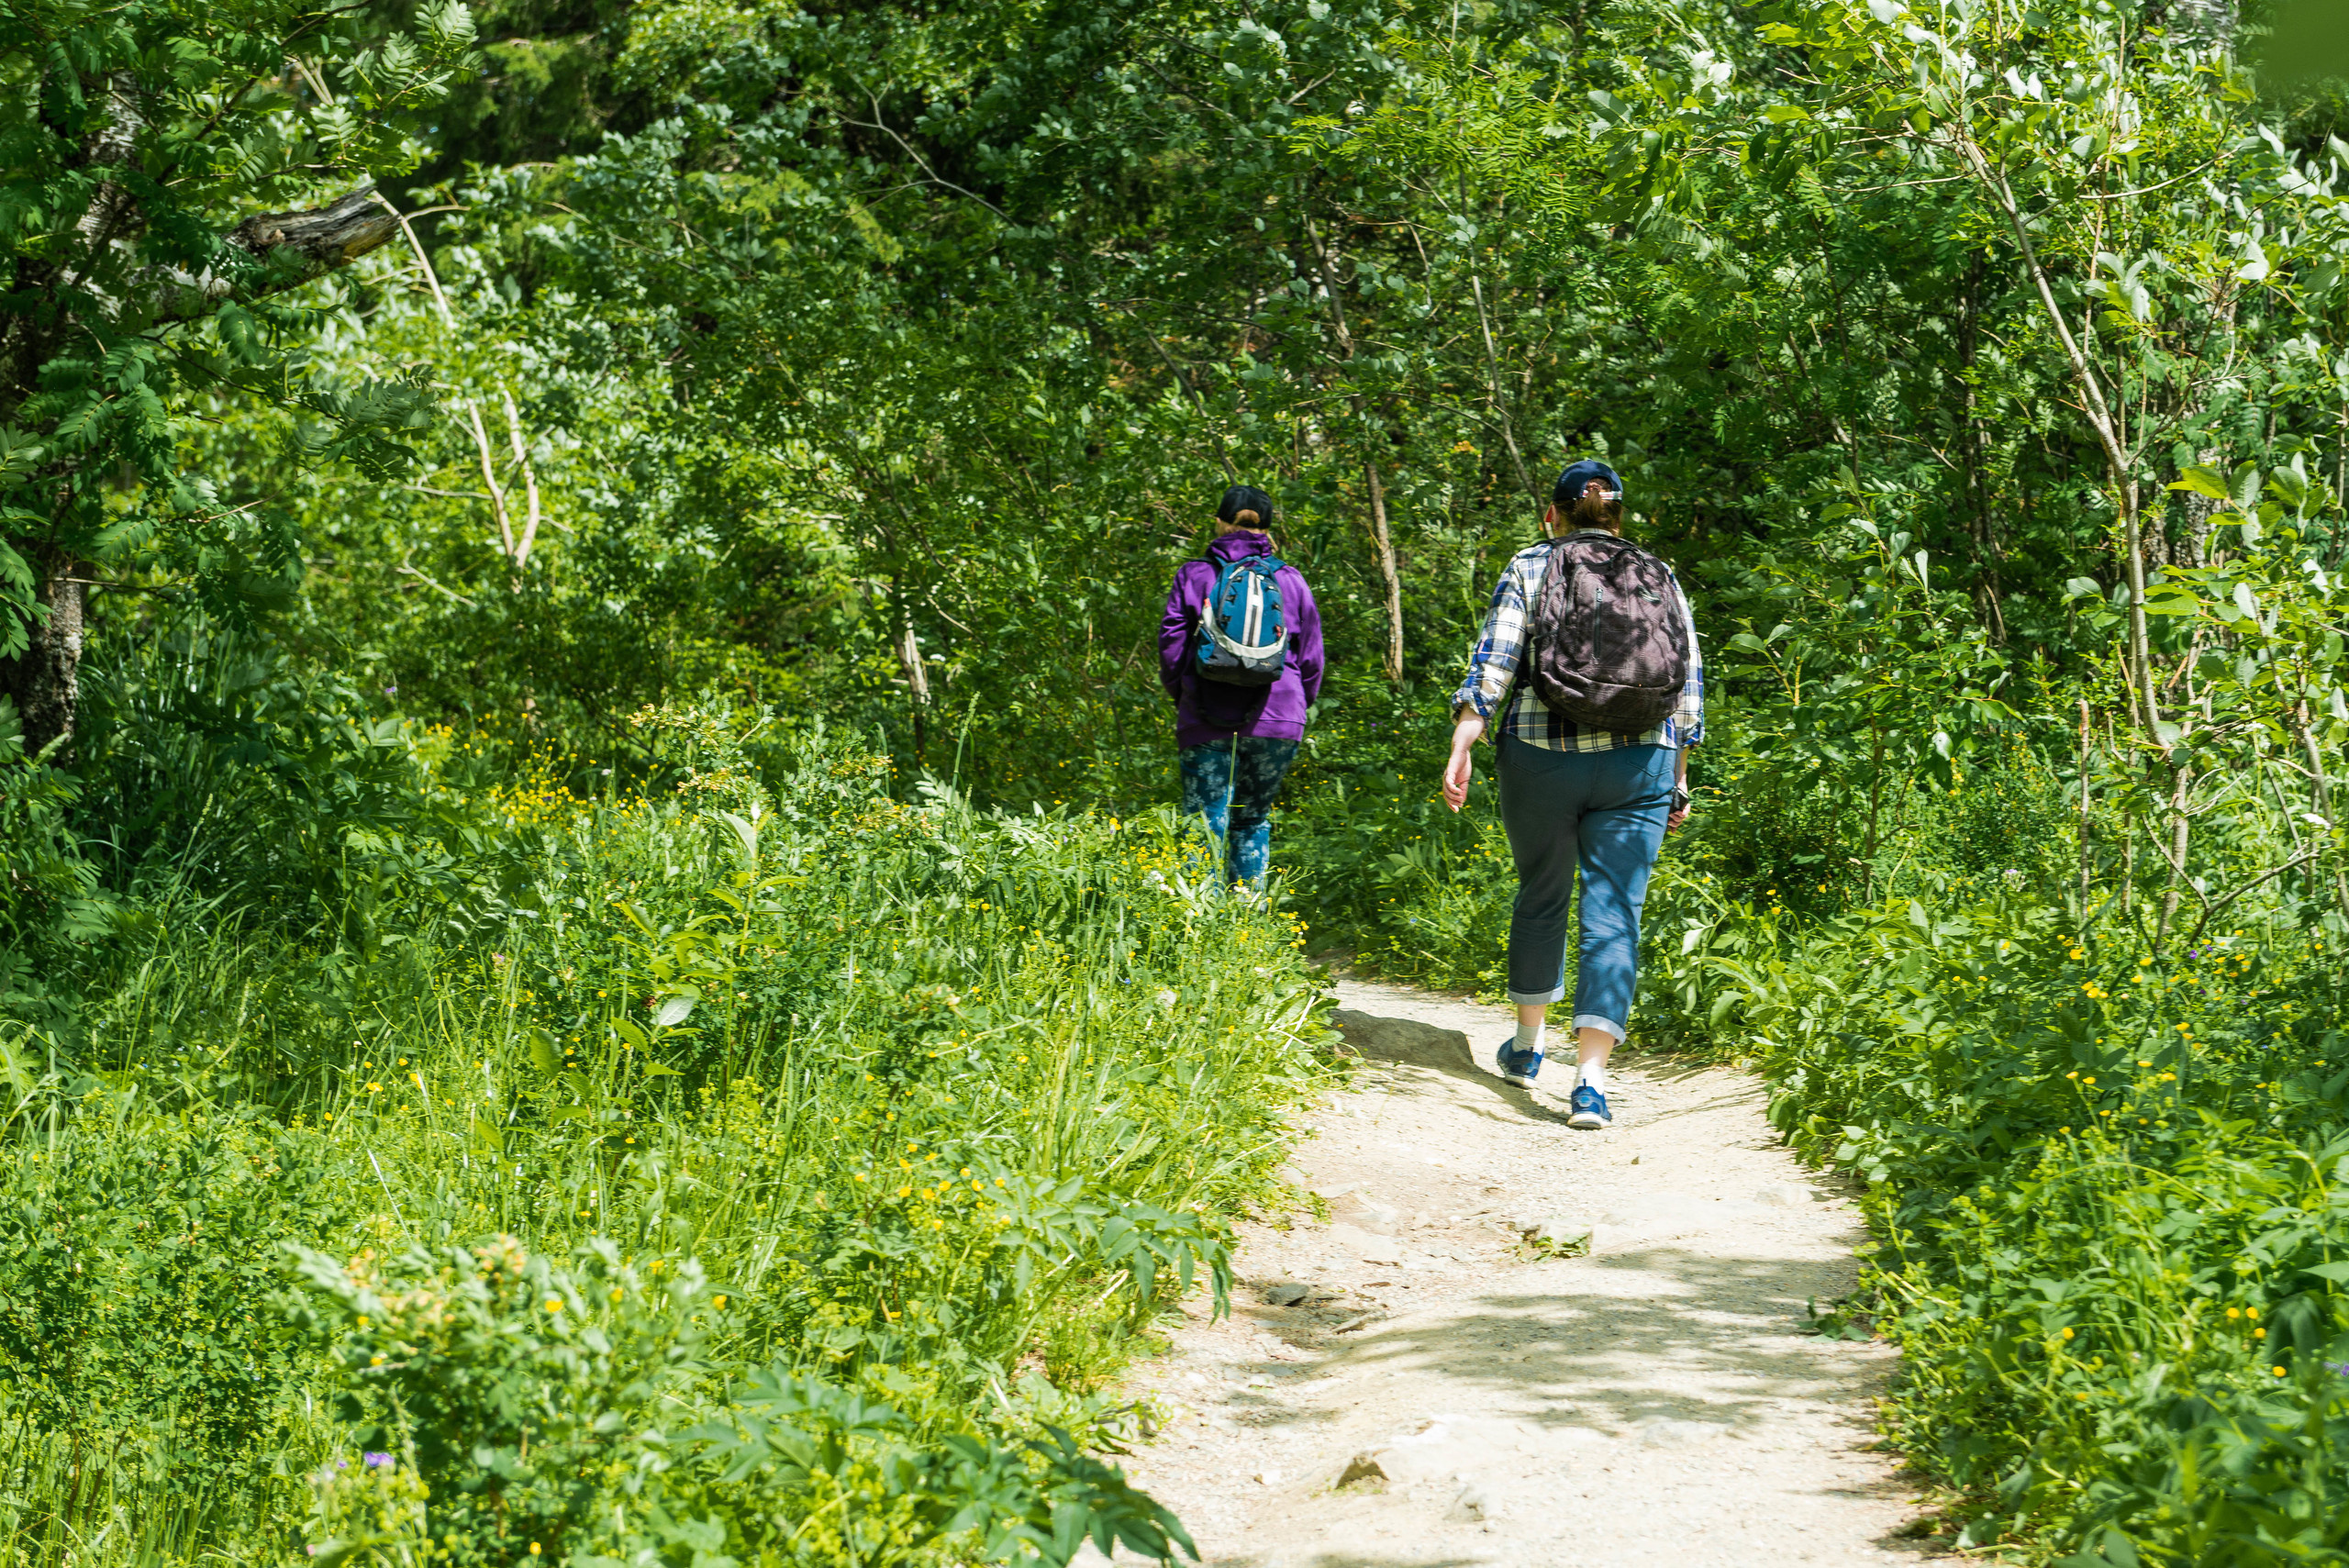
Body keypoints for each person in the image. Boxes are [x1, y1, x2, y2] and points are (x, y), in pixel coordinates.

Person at [1439, 459, 1702, 1130]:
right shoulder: (1659, 573)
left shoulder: (1532, 564)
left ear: (1551, 514)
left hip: (1541, 756)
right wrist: (1679, 776)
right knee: (1616, 912)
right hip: (1643, 760)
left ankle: (1527, 1048)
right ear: (1618, 516)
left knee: (1543, 893)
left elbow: (1495, 659)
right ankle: (1589, 1084)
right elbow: (1688, 682)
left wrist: (1464, 739)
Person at [1159, 484, 1325, 887]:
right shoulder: (1290, 580)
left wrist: (1187, 697)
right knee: (1252, 819)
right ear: (1267, 531)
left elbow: (1171, 646)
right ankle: (1247, 926)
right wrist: (1297, 707)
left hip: (1206, 712)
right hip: (1278, 717)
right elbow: (1312, 659)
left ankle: (1198, 930)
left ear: (1219, 522)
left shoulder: (1195, 574)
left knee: (1204, 824)